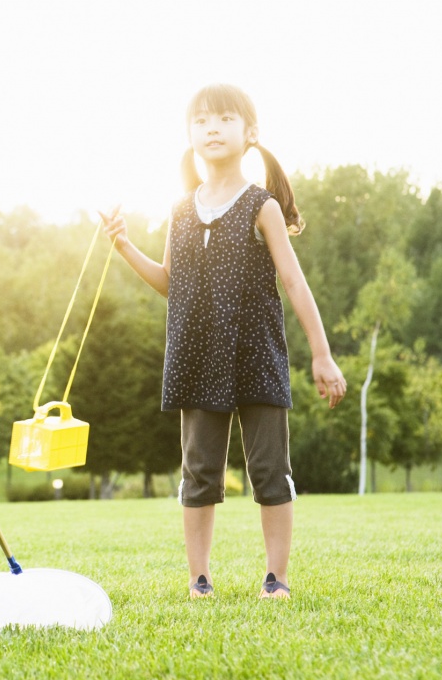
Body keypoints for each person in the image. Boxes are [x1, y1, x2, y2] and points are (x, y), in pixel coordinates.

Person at [101, 84, 346, 601]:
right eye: (202, 122)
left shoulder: (262, 205)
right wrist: (123, 246)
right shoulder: (180, 209)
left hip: (257, 355)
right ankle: (199, 579)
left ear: (249, 134)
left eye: (225, 119)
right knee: (199, 473)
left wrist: (321, 354)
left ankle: (276, 578)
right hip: (195, 356)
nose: (212, 128)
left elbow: (295, 282)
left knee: (269, 471)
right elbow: (170, 280)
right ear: (189, 135)